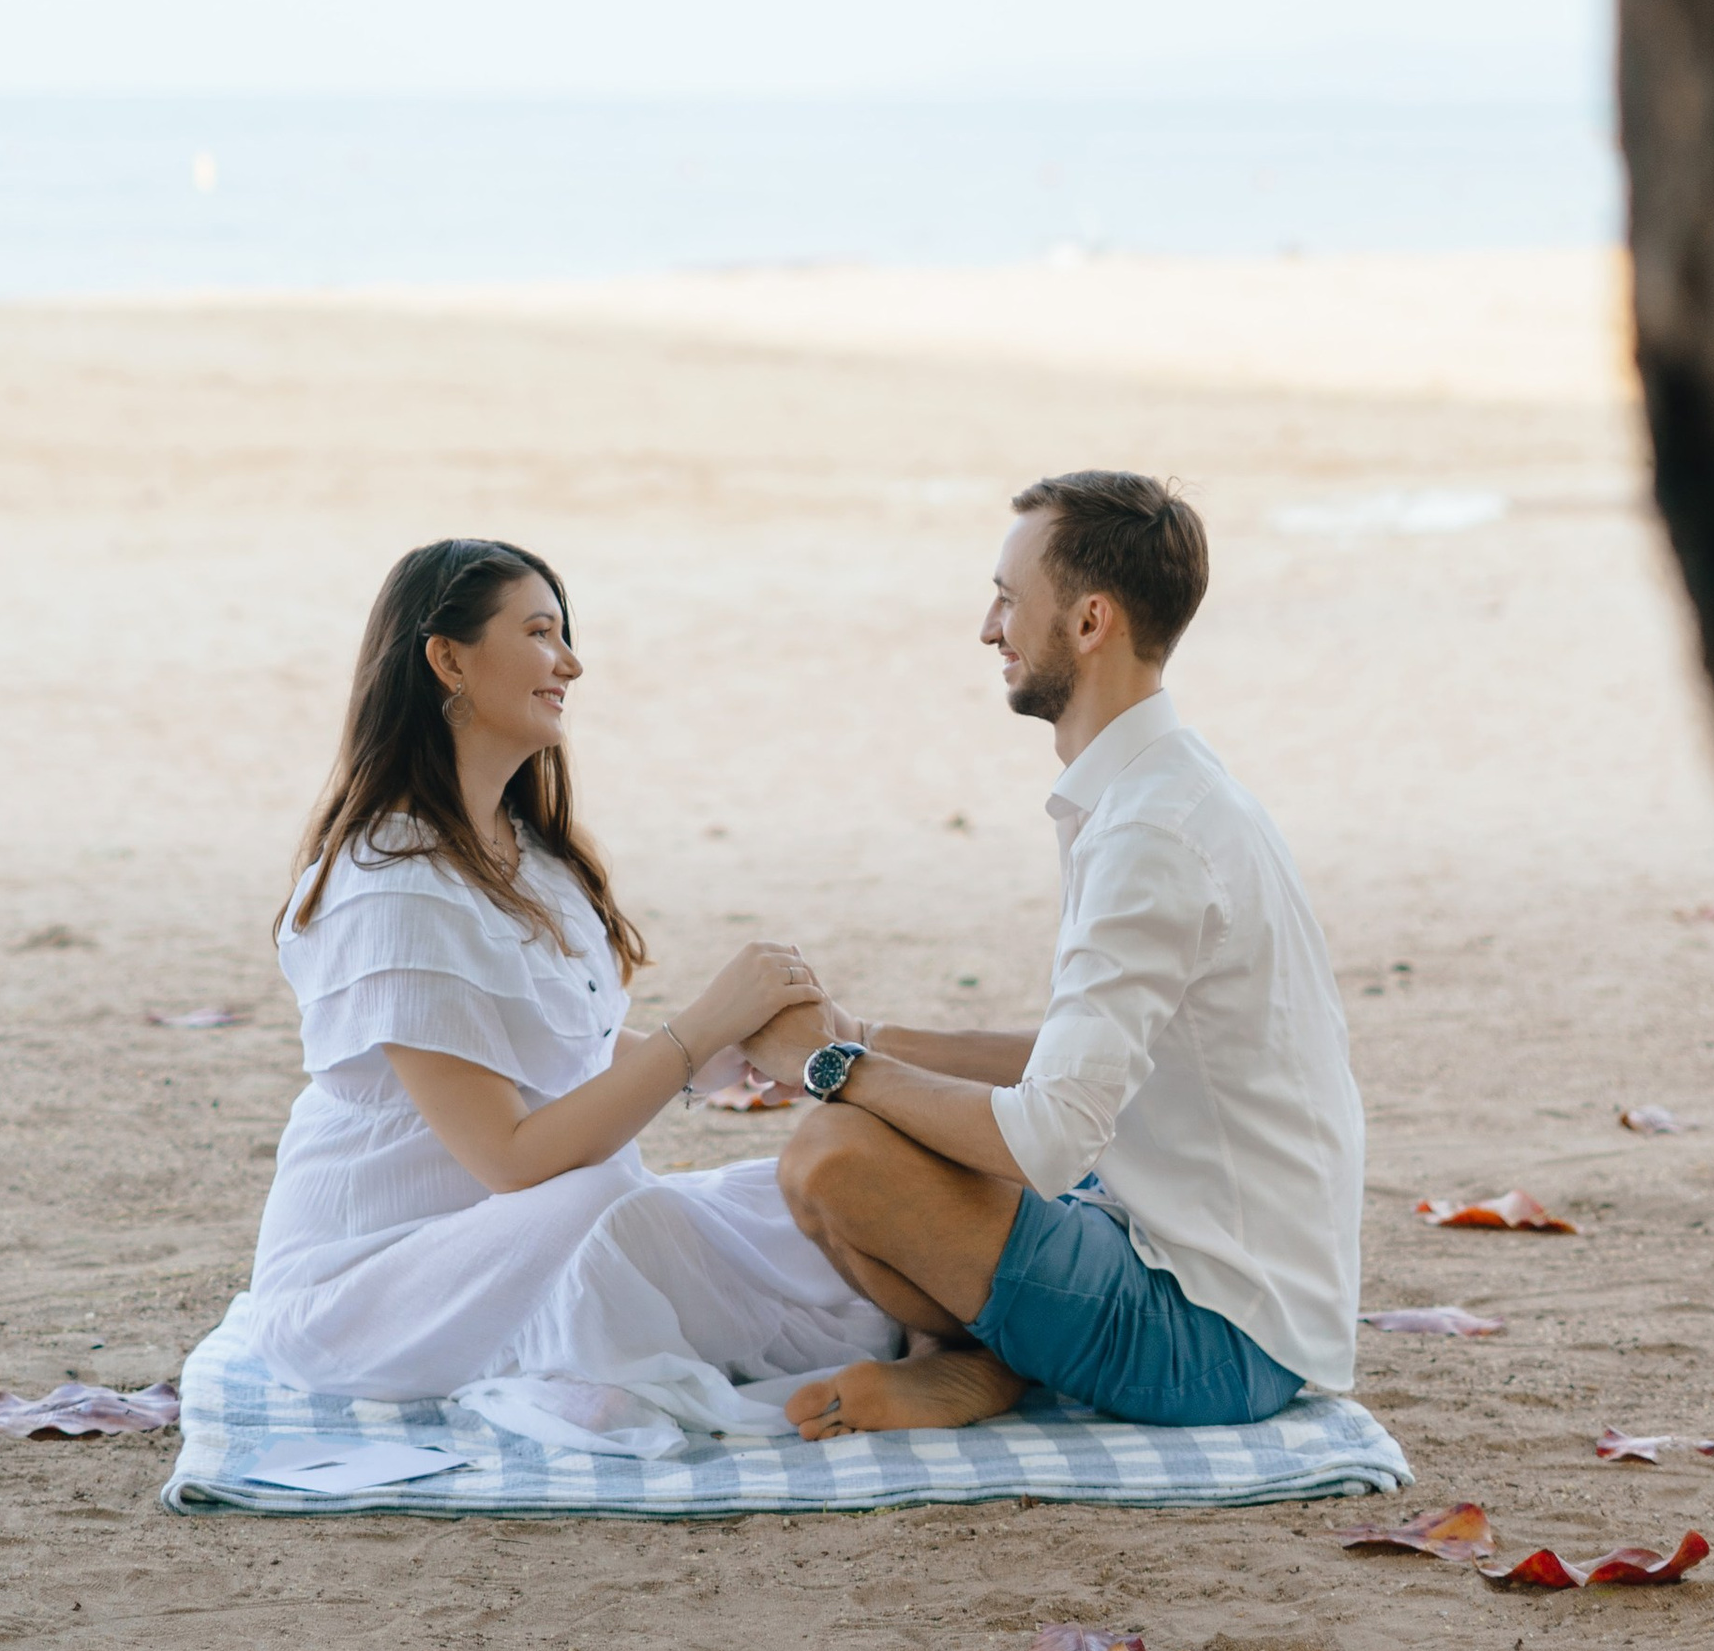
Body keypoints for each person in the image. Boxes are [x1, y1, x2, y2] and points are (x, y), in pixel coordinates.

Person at [202, 535, 899, 1454]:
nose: (570, 663)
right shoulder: (389, 887)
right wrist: (702, 1027)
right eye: (539, 633)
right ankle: (595, 1362)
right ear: (448, 658)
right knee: (615, 1205)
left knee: (795, 1200)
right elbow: (513, 1160)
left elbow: (568, 1049)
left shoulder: (526, 855)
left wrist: (735, 1056)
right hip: (372, 1284)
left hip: (522, 1230)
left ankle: (910, 1338)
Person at [767, 470, 1364, 1438]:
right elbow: (1083, 1060)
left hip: (1220, 1339)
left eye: (1007, 598)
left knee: (835, 1155)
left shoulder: (1152, 834)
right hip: (1178, 1257)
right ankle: (975, 1361)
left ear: (1089, 622)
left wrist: (834, 1068)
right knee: (862, 1134)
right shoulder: (1156, 792)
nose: (987, 628)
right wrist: (866, 1038)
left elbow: (1046, 1139)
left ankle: (982, 1362)